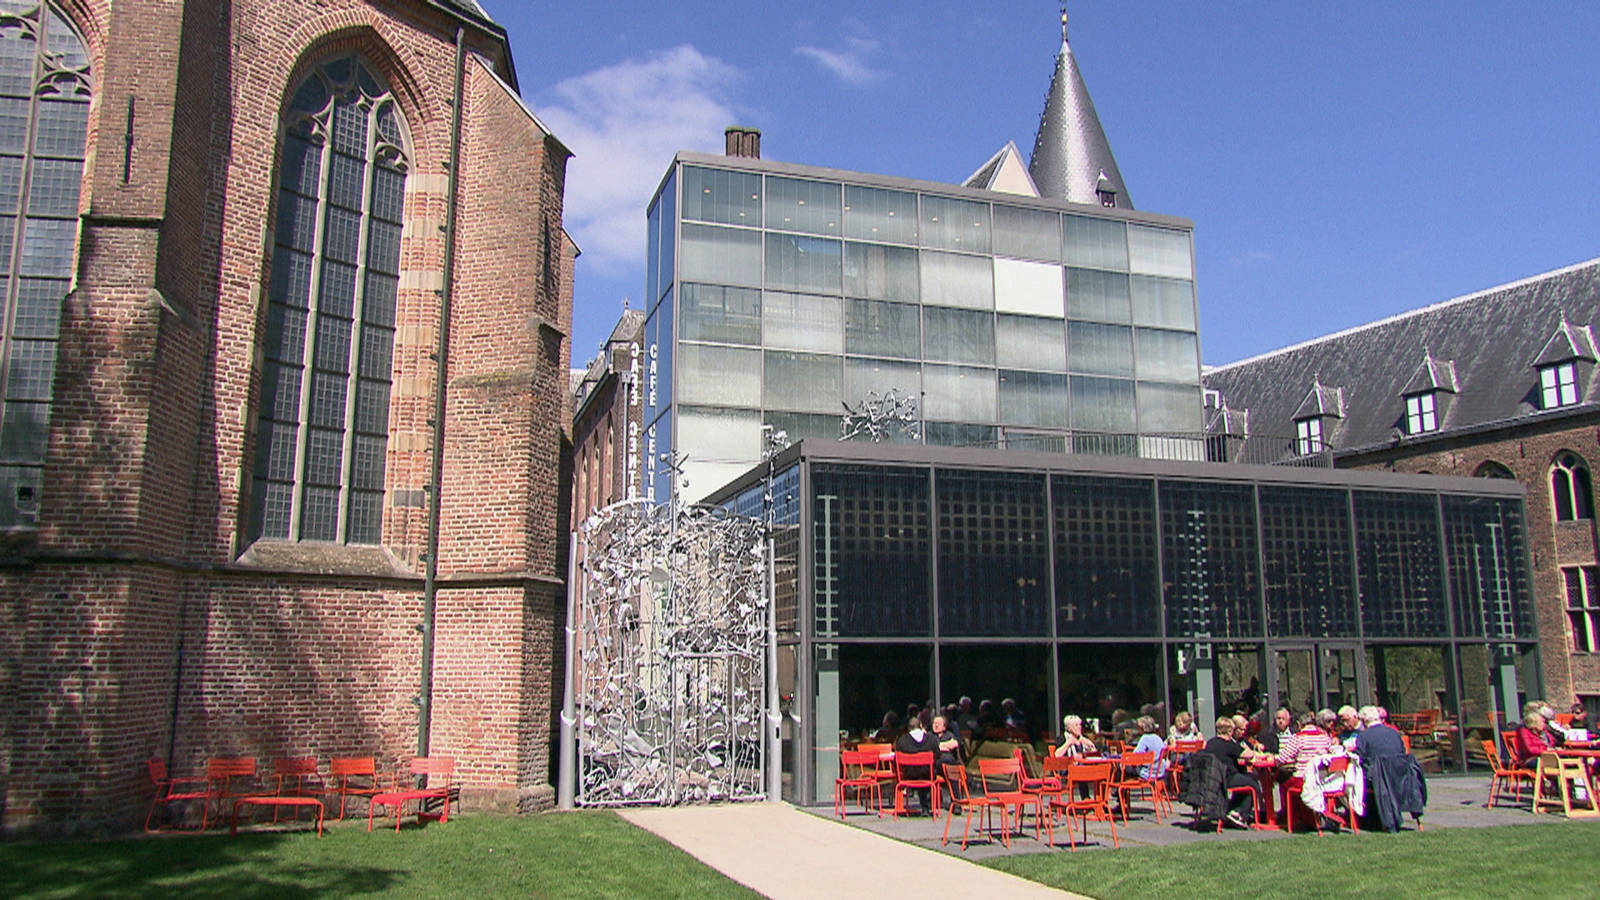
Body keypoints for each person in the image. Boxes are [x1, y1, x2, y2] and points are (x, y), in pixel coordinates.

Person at [1201, 716, 1259, 828]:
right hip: (1227, 777)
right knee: (1253, 785)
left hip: (1213, 779)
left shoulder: (1210, 743)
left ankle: (1232, 810)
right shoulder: (1228, 744)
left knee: (1246, 780)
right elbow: (1248, 754)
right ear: (1229, 731)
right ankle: (1240, 814)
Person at [1277, 710, 1338, 781]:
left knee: (1283, 781)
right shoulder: (1324, 736)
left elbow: (1282, 758)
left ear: (1299, 724)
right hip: (1320, 779)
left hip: (1303, 779)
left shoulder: (1298, 737)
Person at [894, 716, 939, 814]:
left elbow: (896, 760)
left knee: (917, 771)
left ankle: (904, 806)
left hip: (909, 776)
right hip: (928, 775)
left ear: (908, 728)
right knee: (924, 771)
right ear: (921, 726)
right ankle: (927, 806)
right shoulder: (931, 739)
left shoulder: (902, 741)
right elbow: (937, 756)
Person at [1132, 716, 1168, 780]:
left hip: (1148, 771)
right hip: (1160, 770)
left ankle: (1120, 788)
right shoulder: (1158, 738)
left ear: (1142, 728)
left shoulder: (1145, 738)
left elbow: (1136, 755)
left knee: (1122, 767)